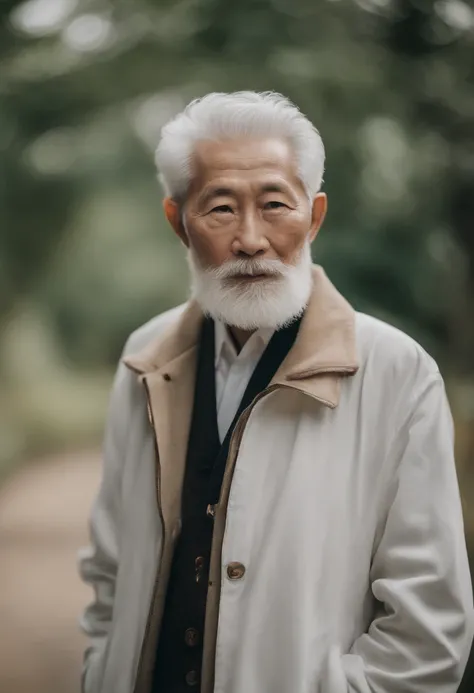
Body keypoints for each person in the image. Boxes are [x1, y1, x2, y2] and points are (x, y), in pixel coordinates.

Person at [78, 91, 473, 693]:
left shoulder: (397, 372)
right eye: (220, 210)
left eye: (274, 204)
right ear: (178, 222)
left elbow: (429, 624)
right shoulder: (146, 358)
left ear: (314, 217)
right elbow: (110, 574)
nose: (251, 240)